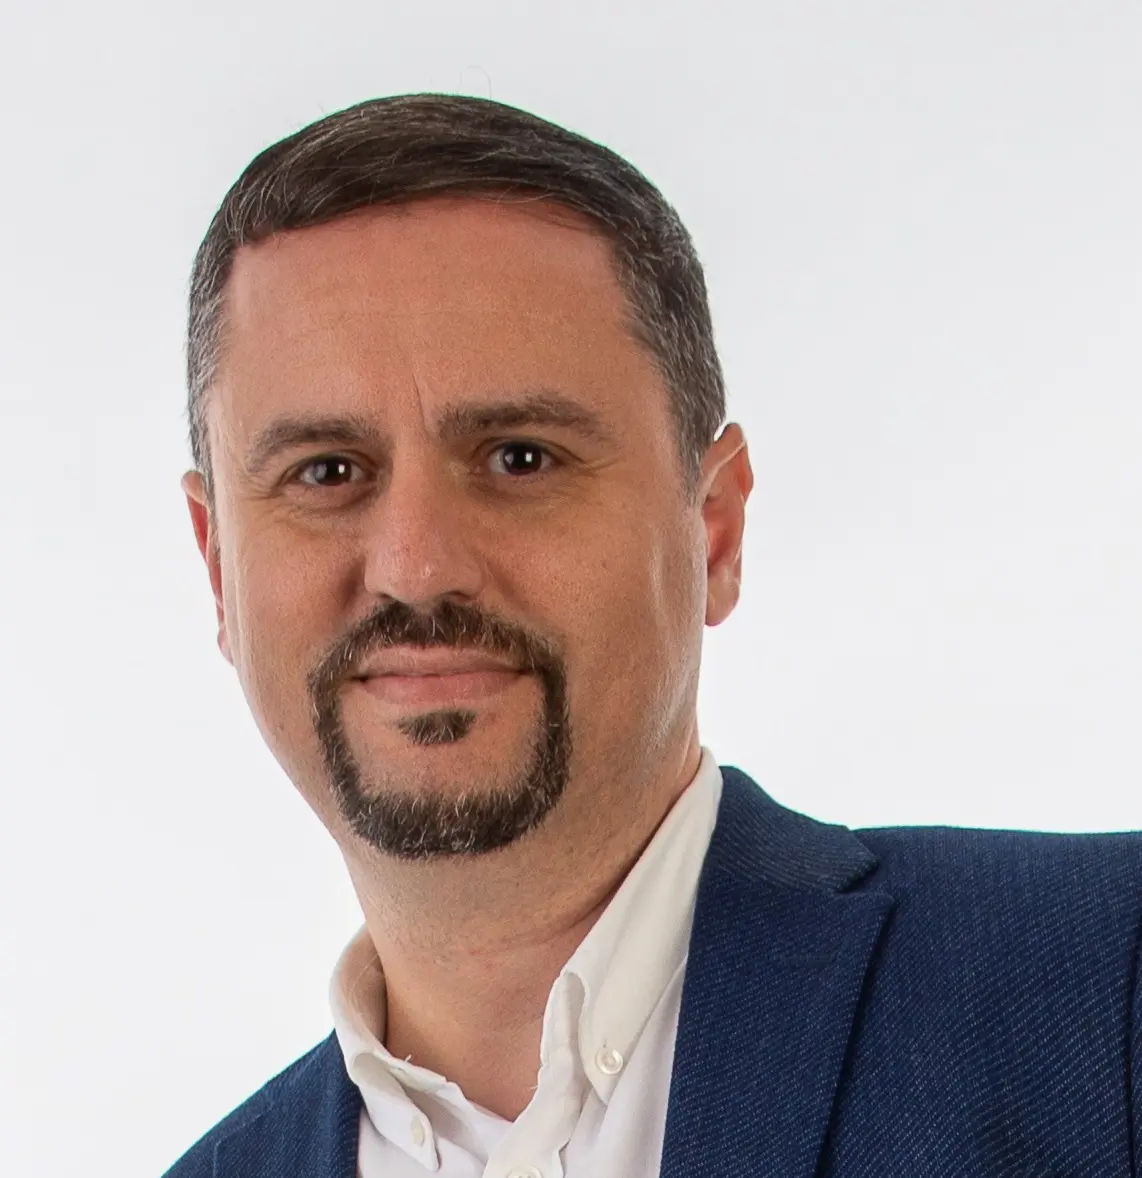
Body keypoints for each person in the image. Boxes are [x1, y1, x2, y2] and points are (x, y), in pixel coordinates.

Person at [164, 93, 1142, 1178]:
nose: (417, 566)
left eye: (520, 457)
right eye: (326, 472)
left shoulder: (1104, 984)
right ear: (219, 566)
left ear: (713, 525)